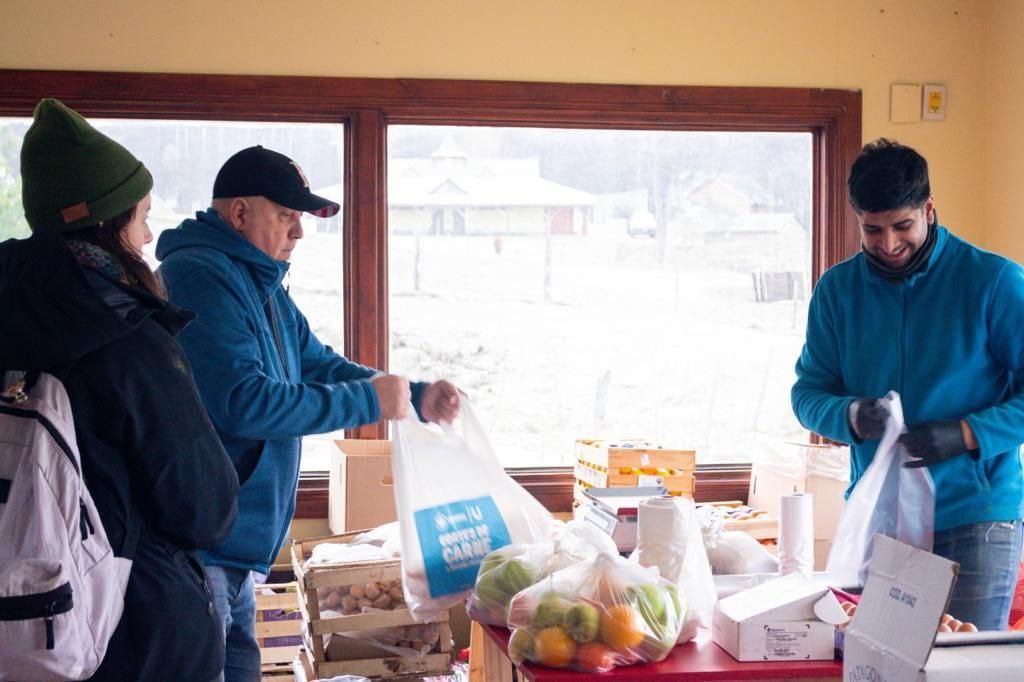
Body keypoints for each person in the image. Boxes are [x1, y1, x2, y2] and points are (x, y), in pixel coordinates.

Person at [155, 145, 461, 680]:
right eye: (286, 215)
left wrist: (412, 396)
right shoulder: (201, 277)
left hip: (234, 544)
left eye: (299, 218)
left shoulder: (260, 281)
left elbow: (316, 363)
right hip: (200, 543)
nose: (298, 232)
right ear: (241, 213)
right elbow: (242, 402)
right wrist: (371, 400)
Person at [0, 99, 239, 679]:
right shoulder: (127, 335)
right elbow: (204, 507)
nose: (149, 235)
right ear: (108, 225)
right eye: (142, 216)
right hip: (128, 627)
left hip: (17, 612)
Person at [792, 138, 1024, 630]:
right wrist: (852, 415)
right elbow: (807, 393)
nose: (889, 244)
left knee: (962, 667)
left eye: (903, 226)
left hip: (976, 516)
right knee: (881, 663)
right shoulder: (837, 292)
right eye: (872, 229)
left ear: (929, 208)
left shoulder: (994, 282)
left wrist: (966, 434)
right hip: (880, 521)